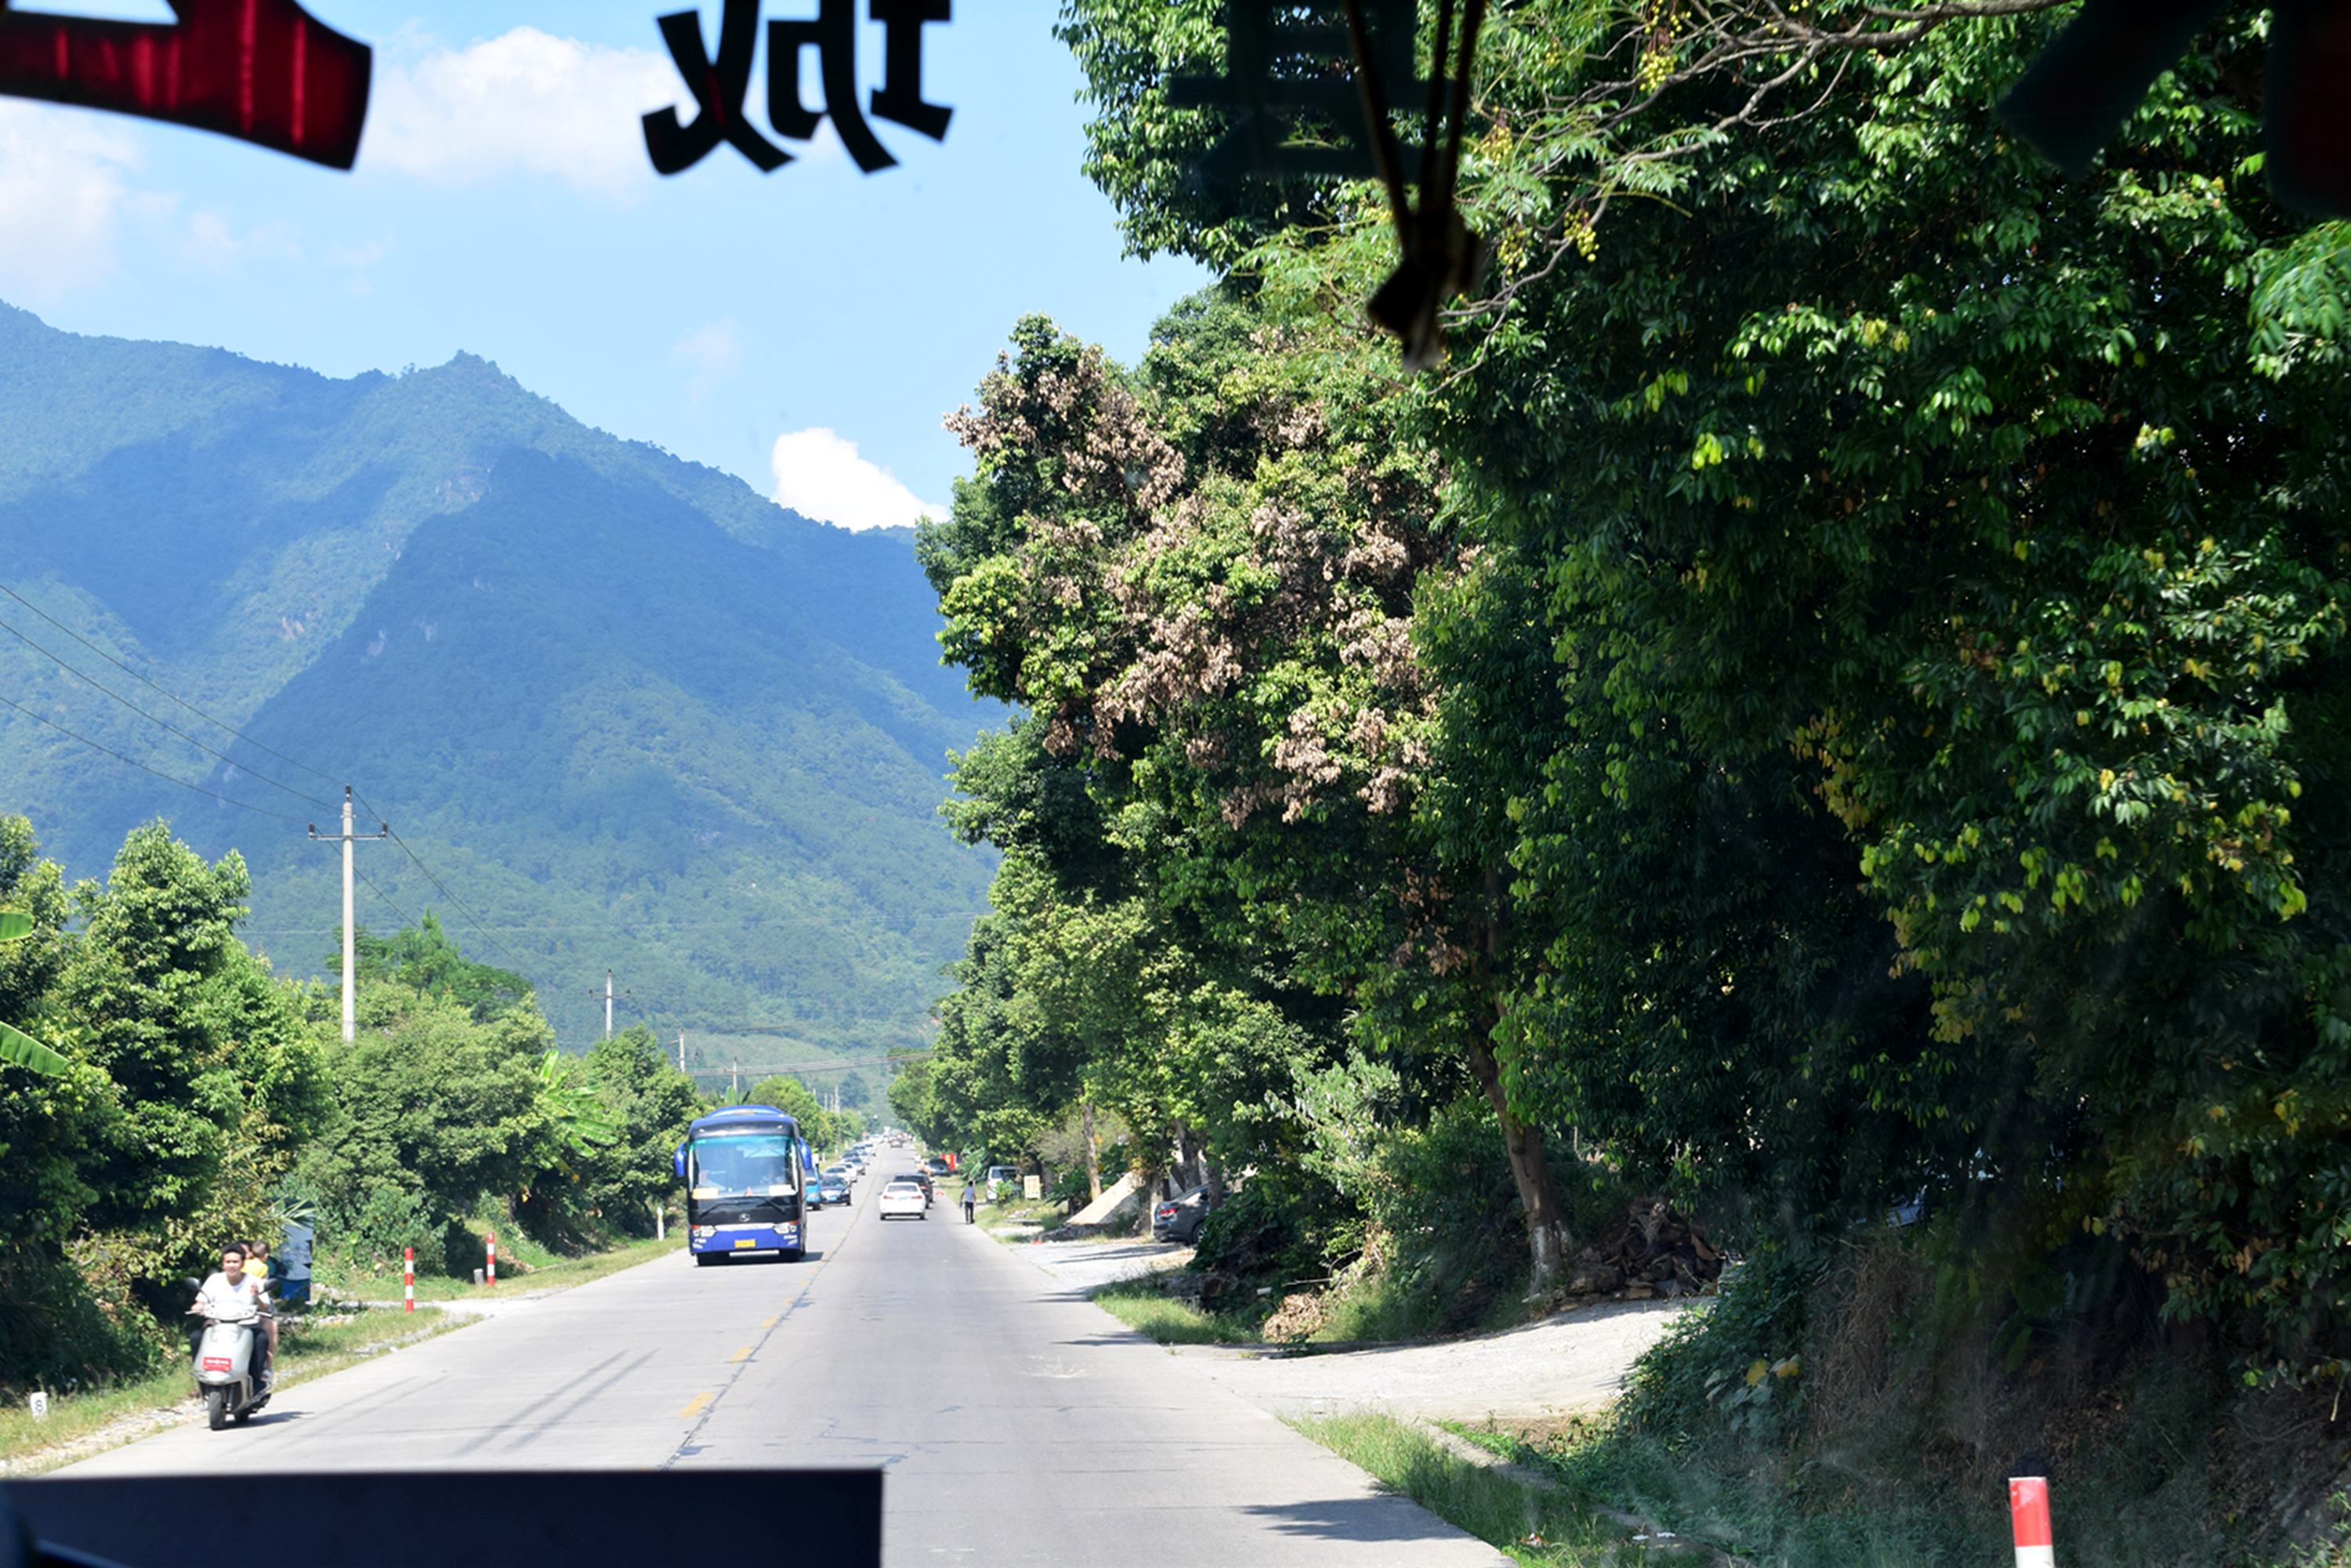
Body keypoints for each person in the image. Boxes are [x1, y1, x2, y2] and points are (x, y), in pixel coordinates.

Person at [187, 1244, 273, 1395]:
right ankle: (202, 1379)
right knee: (196, 1338)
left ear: (242, 1264)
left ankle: (256, 1382)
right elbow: (200, 1302)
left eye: (235, 1262)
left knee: (261, 1339)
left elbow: (265, 1308)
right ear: (223, 1264)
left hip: (246, 1327)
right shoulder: (214, 1280)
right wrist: (198, 1308)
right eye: (228, 1262)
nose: (232, 1265)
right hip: (217, 1326)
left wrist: (256, 1297)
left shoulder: (254, 1282)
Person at [240, 1238, 281, 1385]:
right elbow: (263, 1286)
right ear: (266, 1256)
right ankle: (268, 1366)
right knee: (271, 1327)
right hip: (255, 1301)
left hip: (246, 1303)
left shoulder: (243, 1265)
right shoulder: (263, 1268)